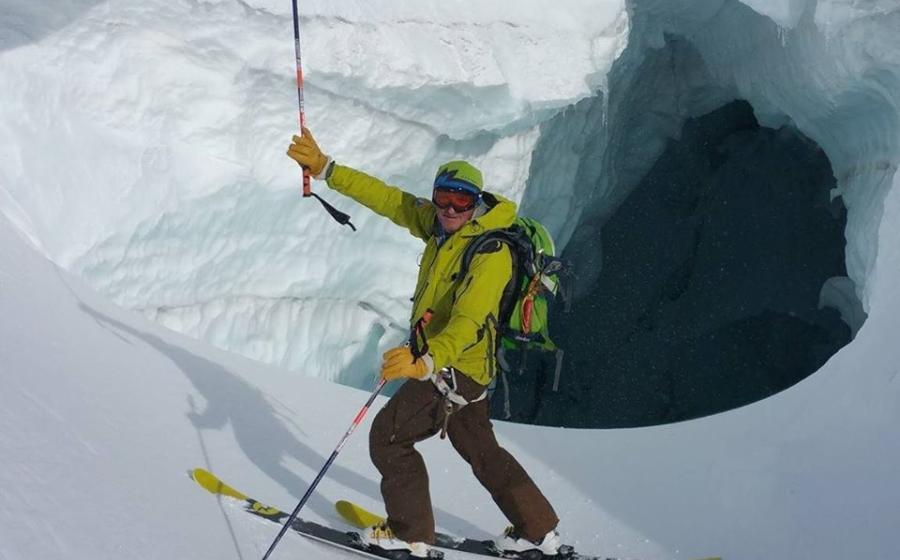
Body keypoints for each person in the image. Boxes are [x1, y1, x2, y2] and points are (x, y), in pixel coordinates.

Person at [287, 128, 561, 559]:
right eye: (443, 199)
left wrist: (427, 362)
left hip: (451, 367)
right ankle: (539, 532)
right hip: (467, 371)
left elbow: (470, 320)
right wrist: (327, 170)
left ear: (477, 203)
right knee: (483, 451)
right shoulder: (438, 226)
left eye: (462, 202)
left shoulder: (491, 254)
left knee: (389, 437)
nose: (450, 209)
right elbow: (390, 200)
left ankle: (410, 534)